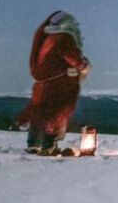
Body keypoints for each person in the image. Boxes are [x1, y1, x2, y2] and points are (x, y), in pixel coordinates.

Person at [15, 10, 91, 155]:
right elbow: (72, 57)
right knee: (57, 112)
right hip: (58, 84)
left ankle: (33, 143)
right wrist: (83, 66)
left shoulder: (48, 38)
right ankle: (48, 144)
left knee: (40, 112)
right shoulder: (64, 38)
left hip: (43, 84)